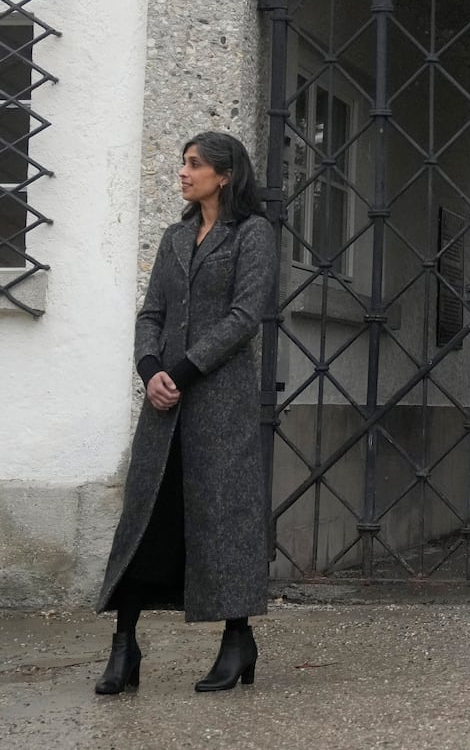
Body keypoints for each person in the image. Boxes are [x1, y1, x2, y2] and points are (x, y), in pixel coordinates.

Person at [95, 131, 275, 695]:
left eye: (194, 164)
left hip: (220, 402)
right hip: (165, 402)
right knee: (147, 519)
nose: (183, 171)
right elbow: (151, 313)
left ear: (224, 175)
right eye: (182, 162)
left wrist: (187, 370)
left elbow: (246, 315)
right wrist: (151, 370)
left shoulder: (253, 235)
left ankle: (236, 639)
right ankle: (125, 646)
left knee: (224, 519)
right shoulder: (175, 237)